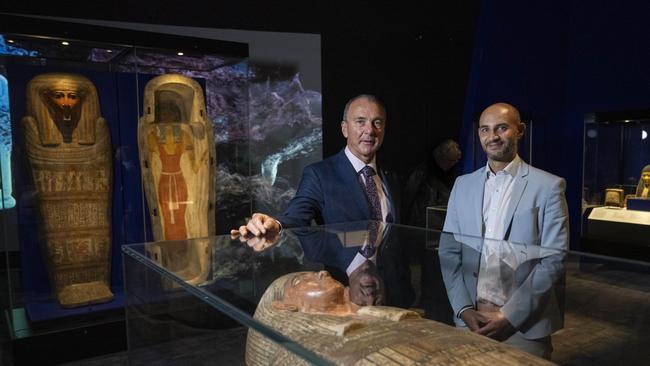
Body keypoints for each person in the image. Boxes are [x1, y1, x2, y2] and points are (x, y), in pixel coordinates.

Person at [439, 102, 569, 359]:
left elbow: (553, 259)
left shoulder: (549, 187)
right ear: (478, 135)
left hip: (524, 329)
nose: (493, 137)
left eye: (501, 128)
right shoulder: (462, 185)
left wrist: (510, 316)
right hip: (469, 323)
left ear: (520, 130)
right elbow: (449, 252)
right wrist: (463, 309)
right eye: (485, 130)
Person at [245, 270, 553, 365]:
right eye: (303, 281)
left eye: (376, 122)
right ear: (286, 308)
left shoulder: (387, 179)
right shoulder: (307, 347)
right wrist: (271, 224)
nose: (322, 272)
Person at [232, 94, 400, 237]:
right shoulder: (319, 175)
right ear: (344, 129)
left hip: (390, 275)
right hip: (342, 275)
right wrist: (275, 224)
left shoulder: (391, 175)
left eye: (377, 122)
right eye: (360, 122)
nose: (369, 130)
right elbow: (297, 215)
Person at [403, 139, 462, 227]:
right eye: (451, 161)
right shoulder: (423, 173)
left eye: (455, 161)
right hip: (423, 223)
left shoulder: (448, 173)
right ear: (442, 157)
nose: (453, 164)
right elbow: (409, 197)